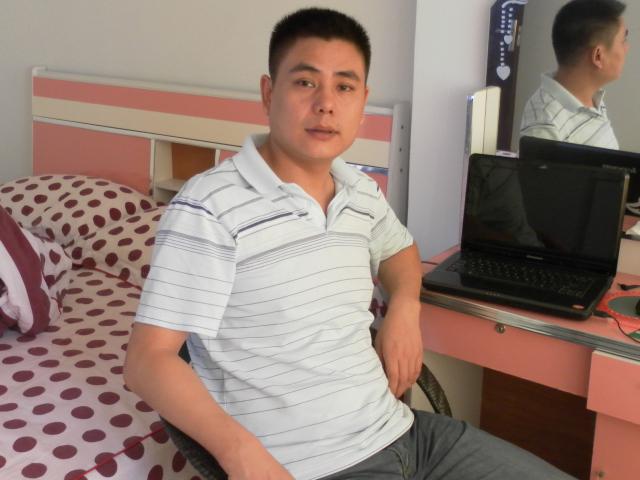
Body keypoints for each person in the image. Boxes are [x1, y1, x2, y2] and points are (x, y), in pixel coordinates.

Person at [124, 8, 574, 480]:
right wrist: (241, 454)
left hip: (409, 435)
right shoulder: (210, 205)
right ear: (268, 93)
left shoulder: (359, 191)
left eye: (344, 87)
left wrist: (404, 308)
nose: (326, 104)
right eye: (305, 82)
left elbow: (399, 250)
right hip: (316, 466)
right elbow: (148, 360)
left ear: (362, 102)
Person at [520, 0, 628, 149]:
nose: (627, 48)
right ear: (598, 56)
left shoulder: (592, 98)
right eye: (623, 40)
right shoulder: (544, 125)